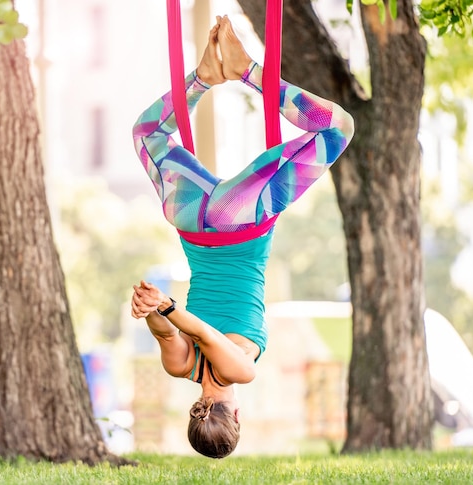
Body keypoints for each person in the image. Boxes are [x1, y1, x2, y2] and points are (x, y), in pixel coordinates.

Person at [131, 15, 354, 459]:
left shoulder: (241, 373)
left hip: (238, 218)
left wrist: (152, 310)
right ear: (195, 412)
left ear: (236, 418)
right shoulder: (184, 368)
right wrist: (160, 310)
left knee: (337, 129)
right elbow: (191, 336)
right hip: (192, 219)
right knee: (147, 134)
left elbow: (178, 332)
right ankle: (204, 78)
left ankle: (245, 71)